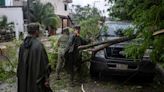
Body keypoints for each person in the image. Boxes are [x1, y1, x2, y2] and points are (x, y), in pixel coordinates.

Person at [17, 23, 52, 92]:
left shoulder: (22, 45)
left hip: (24, 78)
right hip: (36, 80)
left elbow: (20, 64)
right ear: (36, 32)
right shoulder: (39, 46)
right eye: (38, 30)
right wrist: (46, 79)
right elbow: (44, 65)